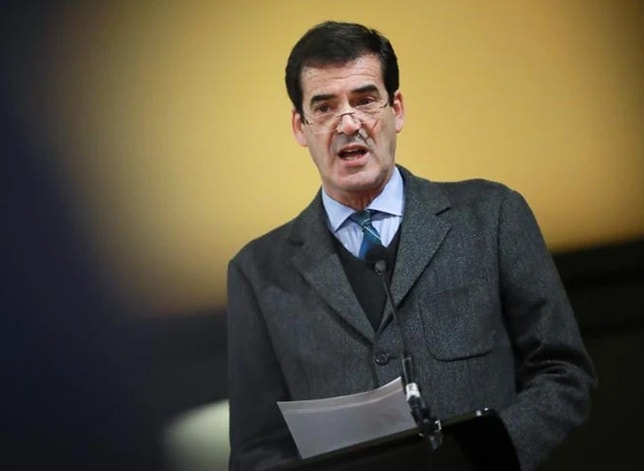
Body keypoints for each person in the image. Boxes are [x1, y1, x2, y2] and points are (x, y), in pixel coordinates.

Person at [226, 21, 596, 471]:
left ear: (396, 110)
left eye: (365, 100)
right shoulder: (257, 272)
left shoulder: (492, 216)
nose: (349, 124)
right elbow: (255, 448)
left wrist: (487, 458)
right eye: (324, 108)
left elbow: (562, 371)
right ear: (299, 127)